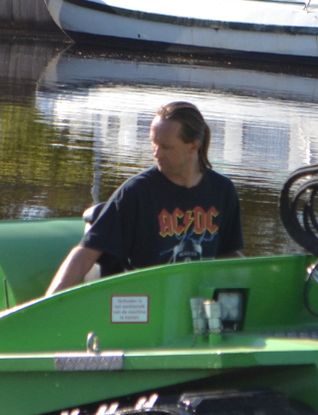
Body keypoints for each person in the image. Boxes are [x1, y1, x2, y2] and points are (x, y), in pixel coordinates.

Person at [46, 101, 243, 295]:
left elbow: (229, 253)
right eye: (153, 143)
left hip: (199, 304)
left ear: (193, 147)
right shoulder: (136, 192)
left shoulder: (222, 191)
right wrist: (46, 306)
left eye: (166, 147)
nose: (156, 153)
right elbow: (85, 254)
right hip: (145, 306)